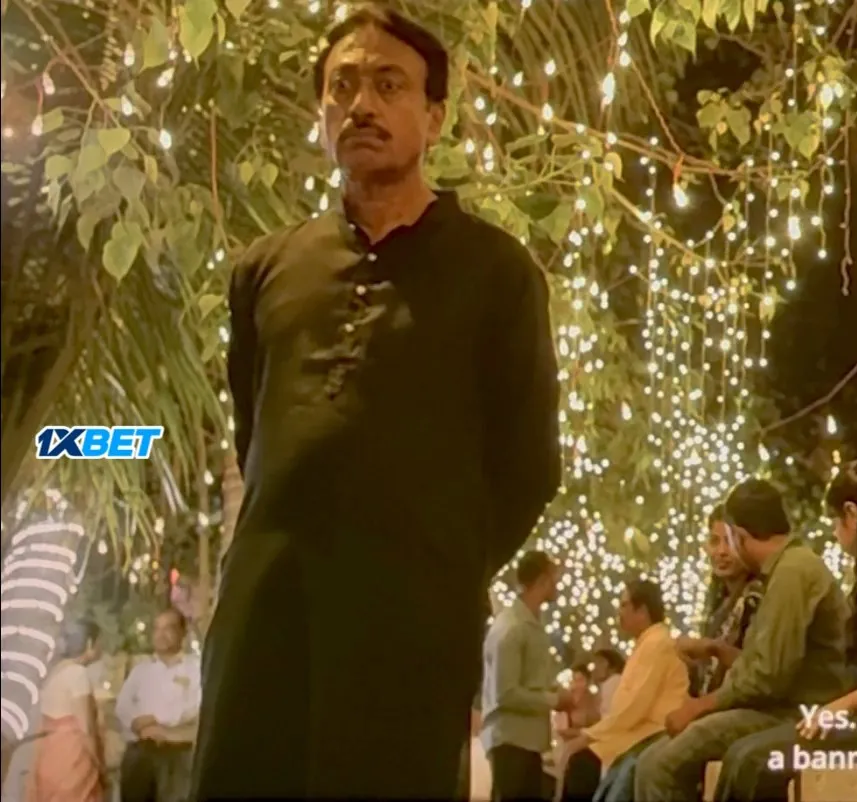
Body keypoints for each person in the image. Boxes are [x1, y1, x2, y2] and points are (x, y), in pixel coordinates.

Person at [193, 6, 561, 800]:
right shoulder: (264, 270)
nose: (361, 105)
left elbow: (530, 465)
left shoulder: (499, 275)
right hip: (265, 618)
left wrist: (433, 569)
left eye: (389, 85)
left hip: (410, 632)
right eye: (342, 86)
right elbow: (258, 434)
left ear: (435, 116)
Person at [628, 480, 850, 802]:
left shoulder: (793, 572)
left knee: (661, 765)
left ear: (740, 536)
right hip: (777, 706)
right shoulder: (783, 570)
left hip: (797, 712)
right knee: (648, 760)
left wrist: (699, 707)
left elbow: (766, 676)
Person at [716, 457, 857, 802]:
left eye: (834, 521)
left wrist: (844, 704)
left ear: (851, 514)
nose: (834, 532)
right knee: (744, 756)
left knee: (755, 760)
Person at [559, 580, 687, 802]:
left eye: (624, 605)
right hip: (635, 736)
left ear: (642, 610)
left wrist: (588, 736)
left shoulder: (657, 644)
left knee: (581, 763)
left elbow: (634, 707)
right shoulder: (648, 643)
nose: (619, 612)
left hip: (651, 737)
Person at [483, 551, 572, 802]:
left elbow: (531, 680)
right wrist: (554, 700)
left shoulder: (532, 625)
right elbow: (506, 693)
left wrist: (554, 691)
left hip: (528, 741)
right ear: (542, 580)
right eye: (554, 577)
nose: (557, 584)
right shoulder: (512, 628)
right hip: (511, 741)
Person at [116, 610, 199, 802]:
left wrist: (157, 721)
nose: (161, 634)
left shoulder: (195, 668)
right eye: (157, 629)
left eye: (168, 628)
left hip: (177, 754)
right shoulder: (141, 670)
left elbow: (196, 705)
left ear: (182, 633)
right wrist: (139, 724)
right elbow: (123, 705)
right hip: (140, 750)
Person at [680, 507, 764, 697]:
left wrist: (714, 649)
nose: (722, 552)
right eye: (715, 541)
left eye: (730, 541)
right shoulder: (719, 603)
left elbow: (759, 671)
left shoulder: (755, 598)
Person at [29, 621, 105, 802]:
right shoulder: (78, 674)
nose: (101, 647)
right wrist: (100, 767)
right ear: (89, 643)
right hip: (72, 759)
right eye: (99, 642)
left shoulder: (55, 671)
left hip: (49, 755)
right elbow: (86, 730)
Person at [589, 649, 626, 721]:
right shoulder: (616, 681)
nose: (596, 668)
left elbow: (608, 717)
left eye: (600, 662)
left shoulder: (613, 682)